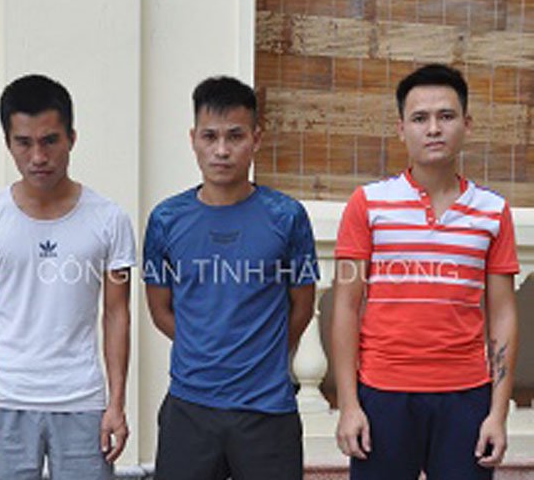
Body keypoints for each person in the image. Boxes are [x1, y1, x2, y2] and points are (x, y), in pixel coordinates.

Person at [333, 63, 519, 480]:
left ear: (467, 124)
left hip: (466, 397)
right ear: (401, 129)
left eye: (446, 116)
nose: (433, 129)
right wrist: (349, 405)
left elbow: (504, 314)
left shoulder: (492, 211)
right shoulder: (368, 204)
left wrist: (497, 414)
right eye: (420, 118)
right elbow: (346, 306)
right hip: (383, 394)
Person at [0, 74, 136, 480]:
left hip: (83, 400)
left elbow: (116, 315)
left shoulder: (109, 220)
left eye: (50, 140)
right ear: (8, 143)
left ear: (72, 138)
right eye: (24, 143)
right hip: (5, 398)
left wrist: (116, 404)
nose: (38, 156)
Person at [143, 75, 319, 480]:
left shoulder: (287, 217)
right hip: (189, 406)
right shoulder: (166, 219)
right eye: (210, 136)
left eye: (235, 136)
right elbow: (160, 309)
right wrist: (204, 346)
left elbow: (303, 305)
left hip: (267, 409)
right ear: (193, 139)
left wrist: (263, 352)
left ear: (256, 139)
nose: (221, 150)